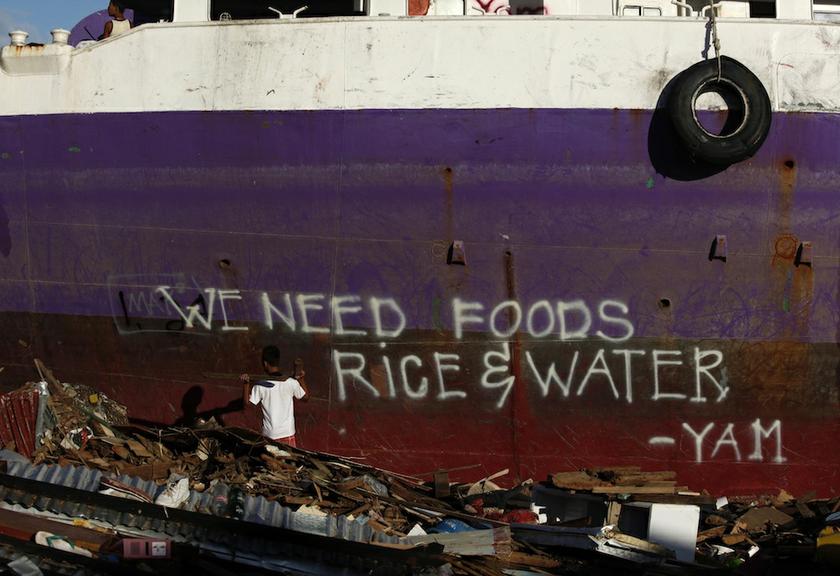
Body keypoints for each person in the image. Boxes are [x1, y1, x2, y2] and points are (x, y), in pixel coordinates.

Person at [241, 346, 308, 446]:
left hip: (269, 436)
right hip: (288, 433)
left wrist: (246, 384)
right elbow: (306, 397)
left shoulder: (260, 385)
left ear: (265, 363)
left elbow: (247, 403)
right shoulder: (291, 382)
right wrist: (301, 379)